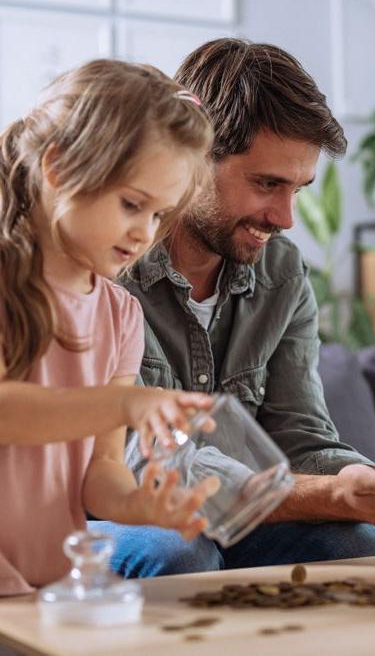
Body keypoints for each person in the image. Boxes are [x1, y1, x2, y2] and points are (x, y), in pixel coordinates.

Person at [102, 38, 375, 578]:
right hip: (115, 510)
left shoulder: (280, 273)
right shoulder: (107, 268)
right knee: (179, 550)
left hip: (237, 520)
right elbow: (142, 466)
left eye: (299, 189)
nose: (285, 217)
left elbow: (302, 438)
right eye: (267, 184)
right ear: (190, 157)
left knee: (365, 546)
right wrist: (339, 496)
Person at [0, 59, 220, 595]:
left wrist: (139, 504)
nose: (144, 233)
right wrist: (125, 404)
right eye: (131, 205)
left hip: (50, 581)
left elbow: (101, 469)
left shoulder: (121, 314)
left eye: (158, 216)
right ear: (58, 167)